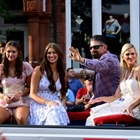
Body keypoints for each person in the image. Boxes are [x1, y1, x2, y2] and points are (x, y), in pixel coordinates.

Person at [86, 43, 140, 126]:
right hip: (122, 103)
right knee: (92, 117)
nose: (130, 56)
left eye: (133, 54)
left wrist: (130, 106)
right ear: (122, 57)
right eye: (127, 54)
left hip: (134, 107)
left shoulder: (138, 70)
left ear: (136, 55)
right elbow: (116, 96)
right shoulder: (123, 73)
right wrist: (101, 99)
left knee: (97, 117)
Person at [68, 35, 121, 109]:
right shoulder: (101, 60)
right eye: (91, 48)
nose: (92, 50)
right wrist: (91, 101)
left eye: (96, 47)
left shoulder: (109, 58)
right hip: (104, 106)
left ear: (104, 47)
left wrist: (82, 60)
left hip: (111, 106)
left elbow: (100, 65)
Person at [28, 43, 69, 125]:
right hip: (39, 102)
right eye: (49, 53)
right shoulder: (39, 70)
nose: (51, 55)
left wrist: (63, 102)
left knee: (56, 111)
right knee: (52, 114)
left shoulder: (63, 73)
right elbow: (32, 94)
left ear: (59, 54)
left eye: (54, 52)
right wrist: (47, 102)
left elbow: (63, 94)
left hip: (55, 101)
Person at [0, 40, 33, 125]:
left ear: (18, 53)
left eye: (13, 52)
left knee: (21, 118)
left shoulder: (26, 67)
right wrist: (3, 96)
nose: (11, 54)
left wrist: (20, 93)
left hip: (21, 101)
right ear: (5, 52)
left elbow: (31, 88)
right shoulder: (1, 68)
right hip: (5, 102)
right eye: (8, 51)